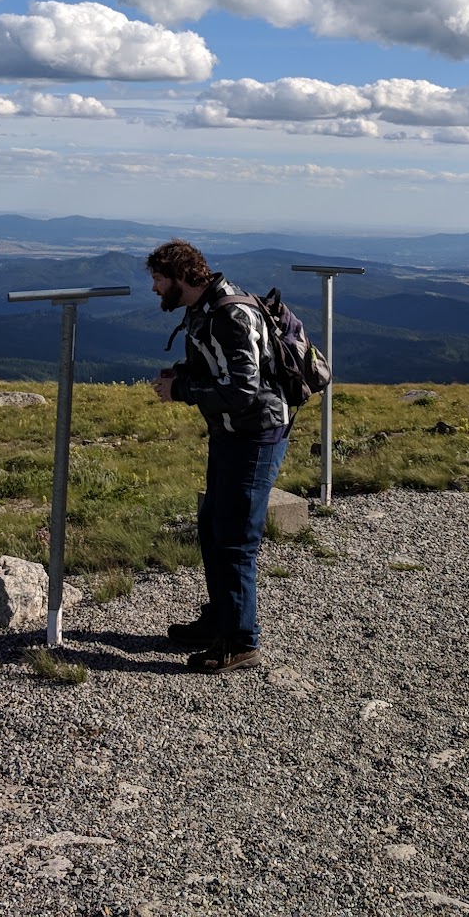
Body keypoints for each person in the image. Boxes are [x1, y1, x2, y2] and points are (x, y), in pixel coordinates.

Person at [149, 238, 288, 675]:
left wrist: (182, 391)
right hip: (231, 434)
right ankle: (220, 620)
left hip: (255, 435)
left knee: (233, 540)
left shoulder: (228, 313)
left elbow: (244, 390)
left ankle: (240, 642)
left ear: (180, 277)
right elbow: (223, 368)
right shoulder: (206, 307)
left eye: (158, 278)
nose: (154, 288)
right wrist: (186, 373)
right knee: (213, 528)